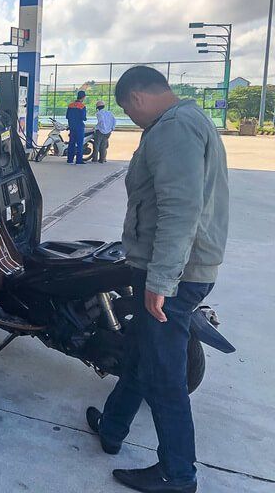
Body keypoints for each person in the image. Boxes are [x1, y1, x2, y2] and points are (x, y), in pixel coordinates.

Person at [86, 66, 229, 493]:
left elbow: (179, 211)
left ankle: (178, 474)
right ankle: (113, 430)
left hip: (175, 275)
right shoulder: (187, 119)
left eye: (128, 109)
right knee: (140, 354)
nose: (131, 118)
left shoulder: (173, 130)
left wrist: (161, 282)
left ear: (138, 97)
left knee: (165, 375)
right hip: (173, 269)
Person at [66, 90, 87, 164]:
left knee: (71, 143)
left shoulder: (70, 105)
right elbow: (83, 117)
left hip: (72, 127)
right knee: (79, 144)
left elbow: (67, 116)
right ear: (83, 97)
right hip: (79, 127)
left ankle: (70, 160)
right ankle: (78, 160)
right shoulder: (82, 106)